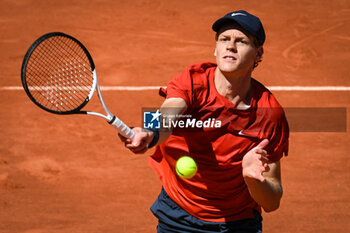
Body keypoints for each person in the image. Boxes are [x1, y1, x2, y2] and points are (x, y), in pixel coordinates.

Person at [119, 10, 289, 233]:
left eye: (241, 41)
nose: (230, 46)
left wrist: (253, 179)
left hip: (238, 223)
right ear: (215, 48)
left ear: (258, 53)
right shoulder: (193, 81)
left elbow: (272, 201)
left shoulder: (269, 113)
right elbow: (168, 111)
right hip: (178, 216)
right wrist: (150, 133)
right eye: (224, 39)